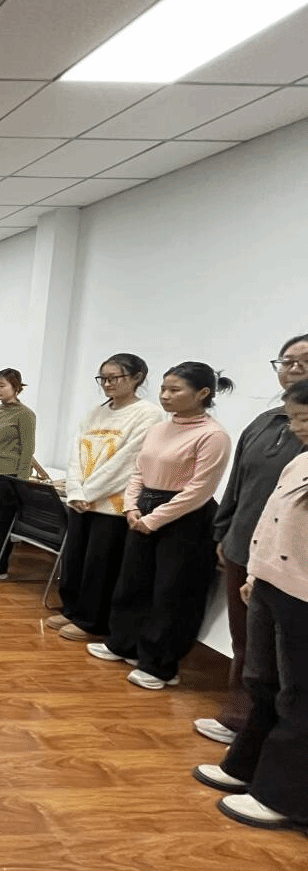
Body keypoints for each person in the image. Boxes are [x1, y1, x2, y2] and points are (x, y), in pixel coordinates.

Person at [192, 378, 308, 830]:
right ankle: (245, 767)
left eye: (304, 419)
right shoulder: (299, 461)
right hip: (271, 586)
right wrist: (256, 575)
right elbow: (271, 521)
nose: (297, 429)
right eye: (294, 419)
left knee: (299, 695)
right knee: (263, 681)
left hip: (303, 596)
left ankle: (281, 796)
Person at [89, 362, 233, 689]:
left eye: (174, 390)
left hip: (186, 517)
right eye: (163, 389)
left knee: (173, 592)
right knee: (132, 582)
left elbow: (200, 489)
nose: (165, 395)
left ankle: (160, 665)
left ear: (202, 393)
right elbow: (139, 470)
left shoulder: (213, 435)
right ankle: (123, 644)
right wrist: (131, 507)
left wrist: (154, 519)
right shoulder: (159, 429)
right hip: (143, 508)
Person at [45, 354, 164, 642]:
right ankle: (71, 609)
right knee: (75, 560)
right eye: (103, 379)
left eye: (114, 378)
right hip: (81, 501)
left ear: (137, 378)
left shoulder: (148, 414)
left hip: (112, 505)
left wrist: (88, 492)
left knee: (100, 566)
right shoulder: (95, 413)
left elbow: (128, 462)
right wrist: (75, 490)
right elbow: (76, 453)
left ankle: (92, 621)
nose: (107, 384)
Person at [0, 368, 47, 581]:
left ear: (16, 387)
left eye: (2, 385)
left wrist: (20, 481)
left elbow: (27, 450)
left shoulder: (25, 414)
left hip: (9, 476)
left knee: (0, 523)